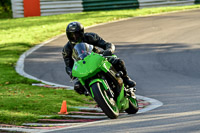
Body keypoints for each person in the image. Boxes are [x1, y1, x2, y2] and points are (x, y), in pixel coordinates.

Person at [62, 22, 136, 95]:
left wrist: (109, 50)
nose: (74, 37)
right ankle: (97, 97)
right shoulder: (67, 49)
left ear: (81, 32)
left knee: (118, 61)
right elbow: (68, 65)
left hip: (98, 58)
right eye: (71, 35)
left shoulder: (90, 36)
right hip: (83, 66)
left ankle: (126, 79)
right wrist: (71, 73)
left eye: (76, 34)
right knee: (78, 87)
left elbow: (106, 44)